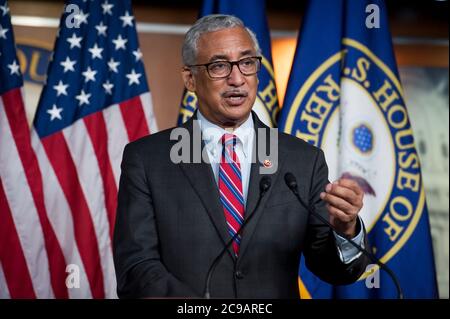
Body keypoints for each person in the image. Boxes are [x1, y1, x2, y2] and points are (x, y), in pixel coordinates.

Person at [113, 14, 370, 299]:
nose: (237, 79)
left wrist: (345, 230)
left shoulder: (302, 160)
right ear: (190, 79)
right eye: (219, 66)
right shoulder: (148, 159)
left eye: (247, 63)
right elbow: (136, 268)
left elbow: (334, 270)